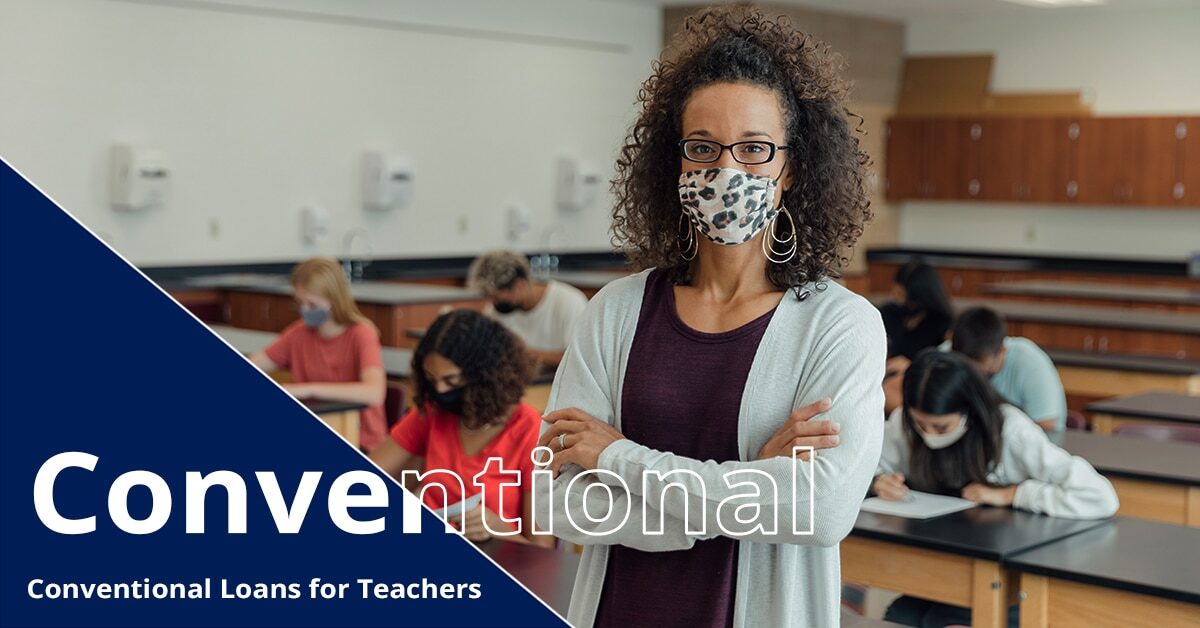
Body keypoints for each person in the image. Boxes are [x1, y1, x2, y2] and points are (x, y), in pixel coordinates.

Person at [532, 7, 884, 627]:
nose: (727, 172)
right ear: (676, 165)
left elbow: (820, 512)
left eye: (754, 149)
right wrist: (750, 485)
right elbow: (555, 501)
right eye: (703, 148)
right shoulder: (614, 312)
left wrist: (619, 460)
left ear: (790, 168)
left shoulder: (840, 325)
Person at [874, 349, 1118, 628]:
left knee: (935, 620)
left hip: (1006, 576)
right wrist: (879, 479)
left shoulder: (1010, 431)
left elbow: (1100, 496)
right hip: (943, 568)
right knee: (899, 617)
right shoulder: (905, 422)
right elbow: (871, 459)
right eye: (921, 425)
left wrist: (1014, 494)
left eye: (941, 428)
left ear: (969, 410)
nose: (928, 436)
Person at [369, 310, 553, 547]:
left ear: (487, 377)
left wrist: (496, 527)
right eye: (432, 380)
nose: (441, 391)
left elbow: (543, 551)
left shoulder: (531, 432)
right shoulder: (433, 412)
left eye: (452, 382)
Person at [249, 257, 387, 452]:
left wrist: (308, 389)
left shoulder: (362, 333)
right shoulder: (298, 333)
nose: (305, 311)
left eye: (312, 305)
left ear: (333, 300)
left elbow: (374, 393)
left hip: (361, 443)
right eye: (299, 303)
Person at [946, 306, 1068, 432]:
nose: (975, 376)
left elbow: (1047, 426)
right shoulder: (945, 357)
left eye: (982, 370)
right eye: (967, 369)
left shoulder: (1029, 363)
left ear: (1001, 352)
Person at [466, 250, 588, 369]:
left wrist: (523, 354)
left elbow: (579, 358)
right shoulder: (496, 311)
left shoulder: (569, 302)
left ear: (519, 285)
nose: (493, 302)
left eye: (496, 297)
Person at [878, 260, 954, 361]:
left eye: (901, 295)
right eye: (894, 292)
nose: (895, 298)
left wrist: (911, 366)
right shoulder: (889, 312)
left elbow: (944, 361)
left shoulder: (942, 324)